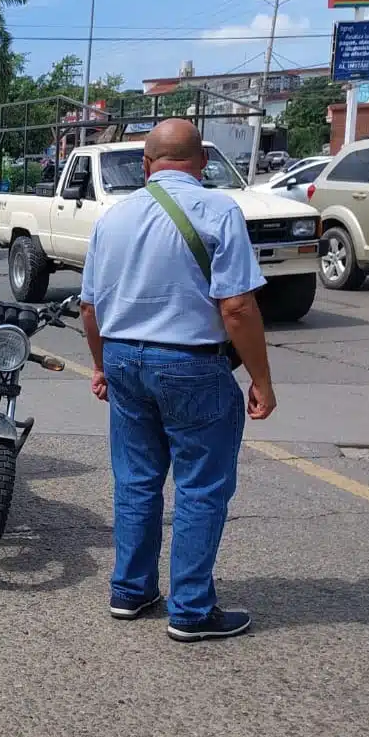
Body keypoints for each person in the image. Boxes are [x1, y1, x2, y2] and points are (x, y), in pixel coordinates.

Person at [78, 119, 277, 642]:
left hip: (123, 360)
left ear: (146, 165)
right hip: (190, 364)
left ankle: (131, 589)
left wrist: (100, 366)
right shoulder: (219, 210)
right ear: (203, 163)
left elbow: (90, 308)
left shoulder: (112, 220)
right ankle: (190, 610)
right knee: (200, 486)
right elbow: (236, 305)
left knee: (136, 478)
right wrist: (262, 379)